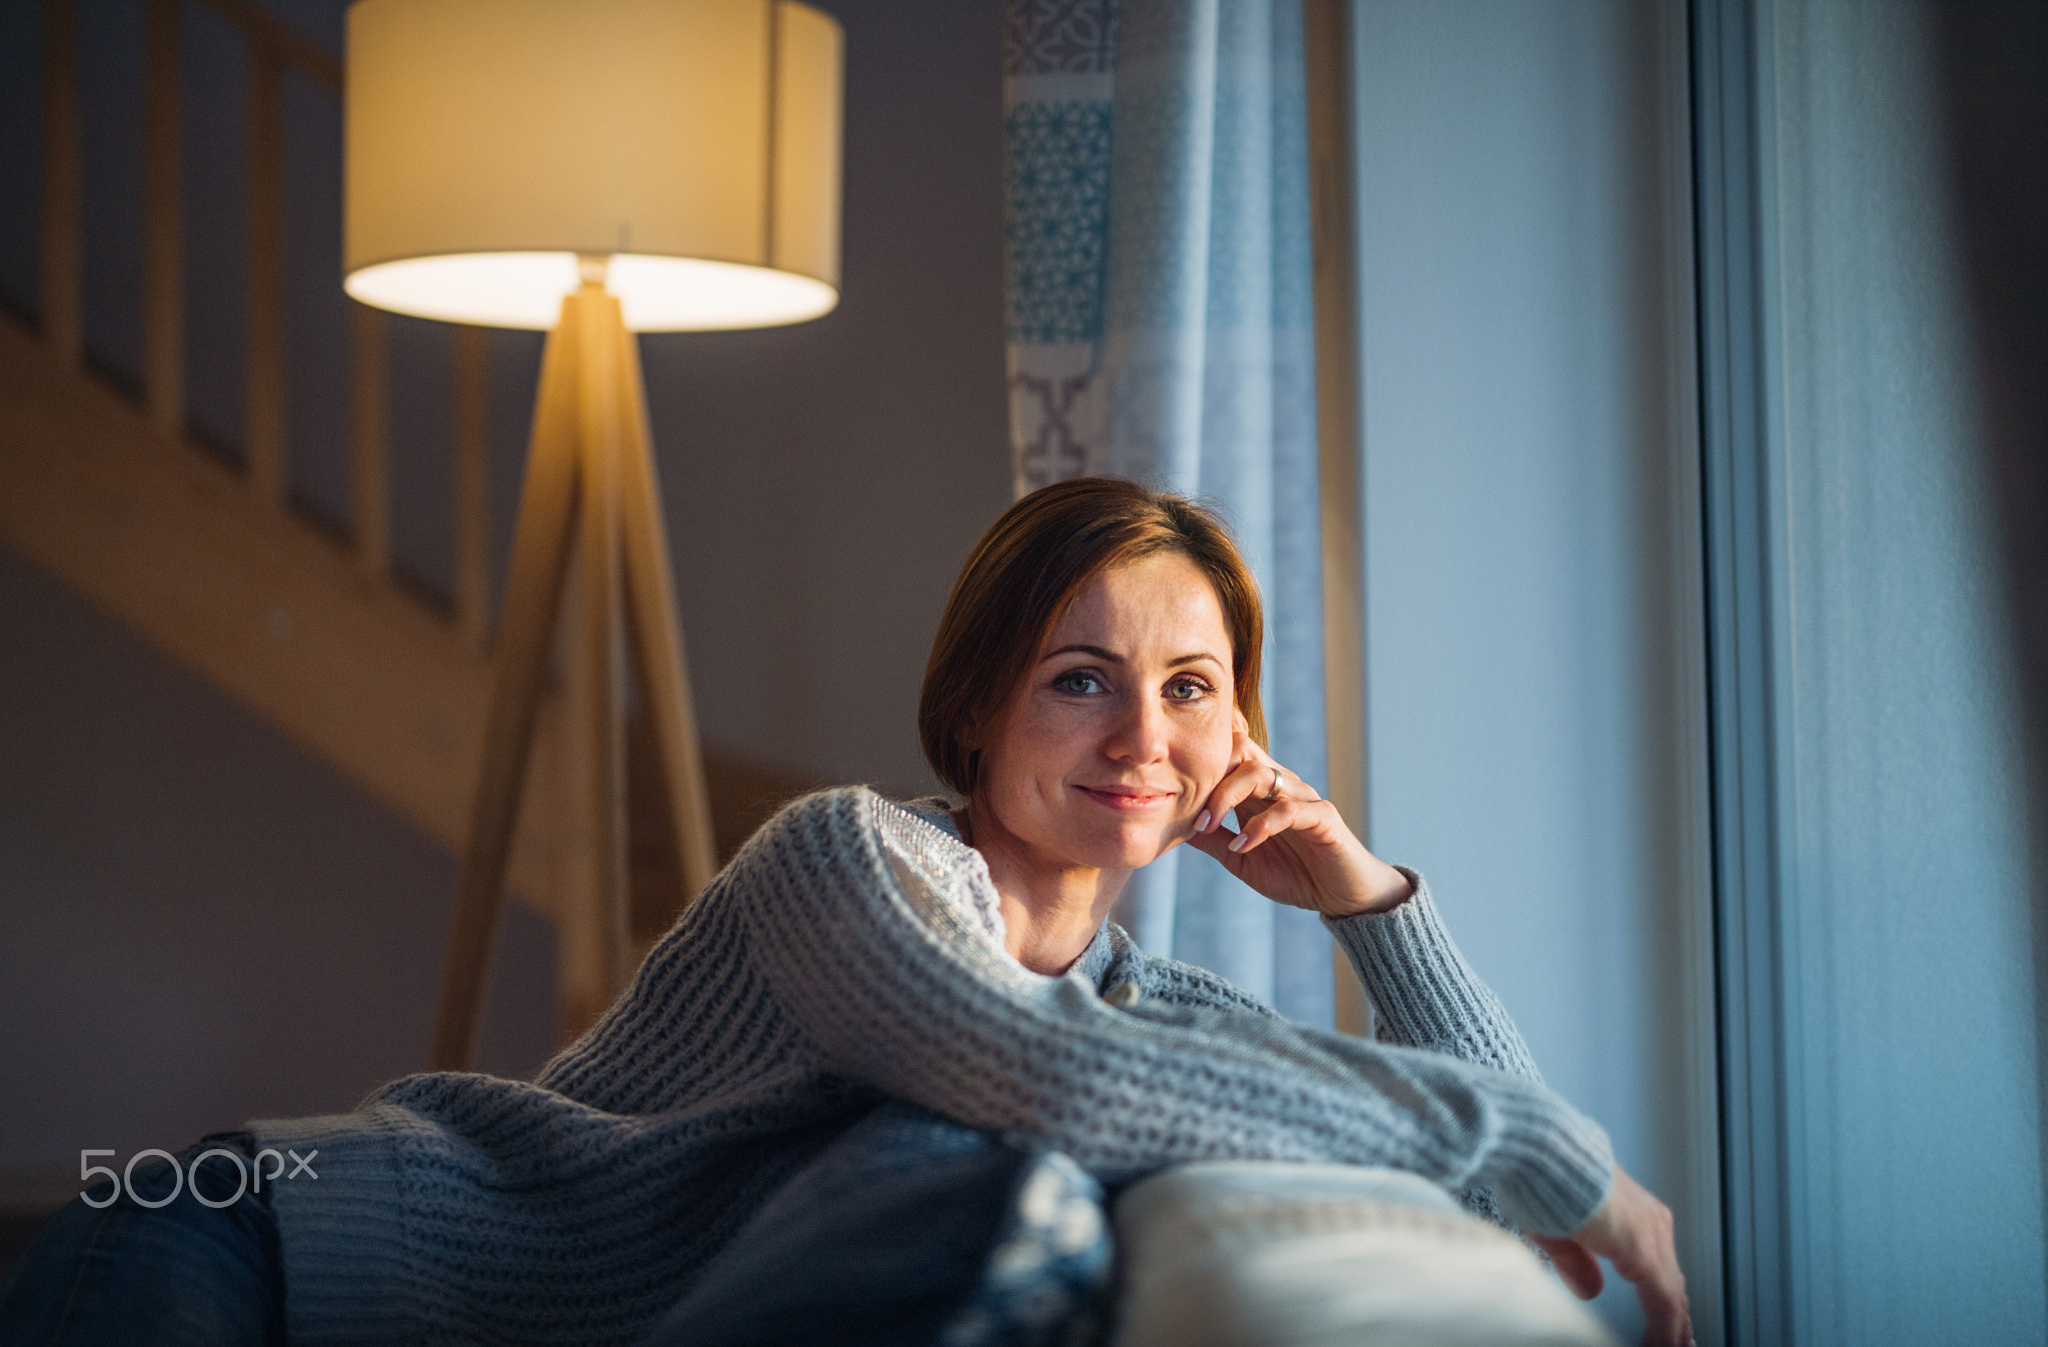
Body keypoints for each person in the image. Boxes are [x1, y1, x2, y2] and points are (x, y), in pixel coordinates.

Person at [0, 476, 1689, 1347]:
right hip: (254, 1225)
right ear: (974, 710)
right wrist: (1572, 1165)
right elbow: (1028, 1073)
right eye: (1080, 678)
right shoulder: (851, 861)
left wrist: (1365, 895)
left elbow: (1480, 1170)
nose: (1143, 739)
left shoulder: (1139, 1008)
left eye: (1192, 689)